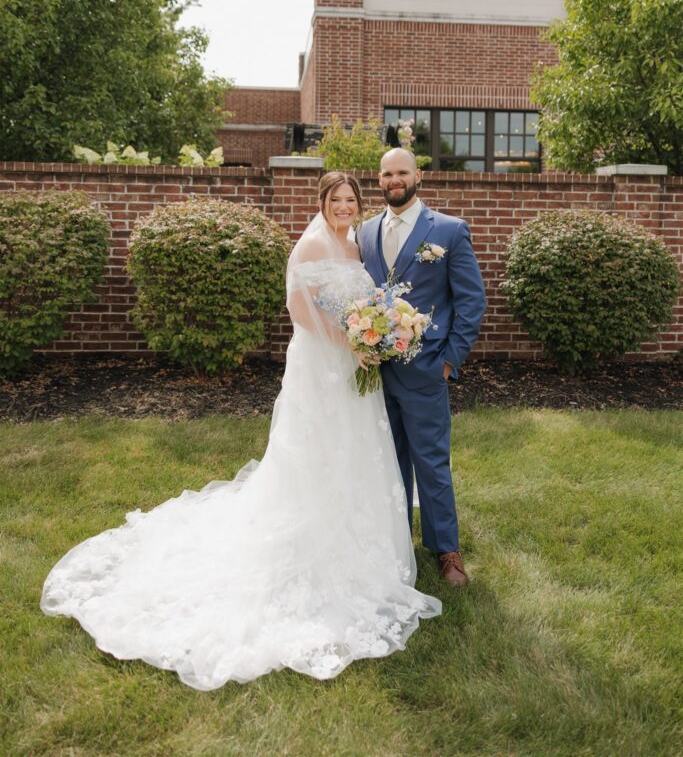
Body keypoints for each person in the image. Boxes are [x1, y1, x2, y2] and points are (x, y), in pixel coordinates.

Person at [41, 172, 440, 690]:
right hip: (322, 366)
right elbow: (300, 309)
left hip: (351, 366)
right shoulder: (313, 242)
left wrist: (374, 334)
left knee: (355, 450)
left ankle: (360, 536)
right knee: (319, 451)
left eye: (350, 201)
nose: (344, 207)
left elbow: (352, 304)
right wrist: (352, 344)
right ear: (321, 202)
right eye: (335, 200)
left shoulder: (352, 243)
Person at [357, 149, 487, 587]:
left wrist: (450, 360)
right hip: (375, 371)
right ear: (379, 179)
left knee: (431, 462)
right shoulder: (365, 232)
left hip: (427, 368)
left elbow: (471, 300)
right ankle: (395, 542)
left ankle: (446, 550)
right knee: (387, 461)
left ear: (418, 176)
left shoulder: (448, 231)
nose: (395, 180)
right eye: (388, 174)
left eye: (403, 173)